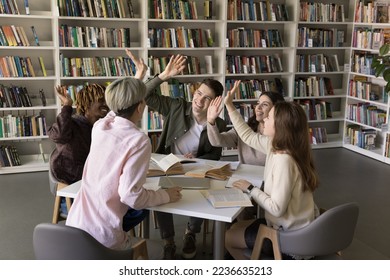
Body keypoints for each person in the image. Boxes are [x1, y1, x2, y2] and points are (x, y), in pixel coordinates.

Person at [126, 50, 228, 259]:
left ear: (215, 103)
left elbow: (215, 157)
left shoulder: (219, 124)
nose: (199, 100)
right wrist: (163, 75)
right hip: (166, 166)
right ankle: (168, 240)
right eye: (199, 93)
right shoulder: (177, 106)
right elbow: (142, 95)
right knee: (160, 192)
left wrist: (197, 161)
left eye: (207, 98)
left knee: (205, 191)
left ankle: (191, 232)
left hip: (195, 169)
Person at [65, 77, 183, 252]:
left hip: (75, 228)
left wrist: (136, 80)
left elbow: (115, 112)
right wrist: (165, 195)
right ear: (141, 107)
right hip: (104, 238)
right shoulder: (139, 140)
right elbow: (131, 196)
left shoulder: (100, 126)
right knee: (152, 250)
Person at [222, 80, 319, 260]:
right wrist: (229, 106)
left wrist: (250, 189)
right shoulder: (281, 146)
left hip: (290, 238)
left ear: (281, 126)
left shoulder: (284, 160)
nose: (263, 118)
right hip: (297, 227)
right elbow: (247, 135)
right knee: (235, 227)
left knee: (227, 238)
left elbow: (276, 209)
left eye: (269, 117)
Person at [207, 90, 285, 220]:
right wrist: (211, 122)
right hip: (245, 181)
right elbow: (217, 141)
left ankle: (243, 231)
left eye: (265, 104)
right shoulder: (247, 127)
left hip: (266, 186)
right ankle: (237, 229)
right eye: (258, 103)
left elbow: (249, 137)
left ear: (276, 111)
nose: (258, 108)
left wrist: (229, 105)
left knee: (240, 204)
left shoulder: (277, 138)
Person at [48, 84, 109, 216]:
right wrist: (67, 105)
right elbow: (58, 135)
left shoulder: (101, 127)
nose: (106, 104)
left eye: (107, 101)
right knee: (113, 213)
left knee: (133, 208)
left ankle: (111, 234)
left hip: (94, 190)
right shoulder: (72, 123)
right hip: (71, 195)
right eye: (101, 100)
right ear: (87, 103)